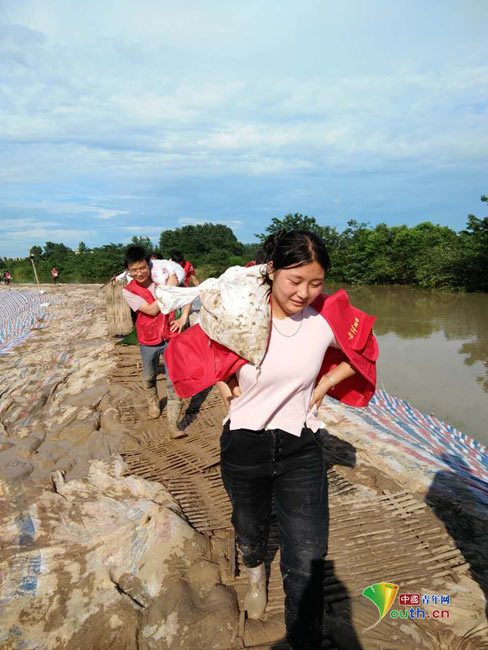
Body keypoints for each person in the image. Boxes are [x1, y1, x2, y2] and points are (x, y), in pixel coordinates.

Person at [164, 230, 378, 649]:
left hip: (302, 447)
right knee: (249, 527)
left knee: (309, 555)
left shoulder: (320, 323)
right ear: (271, 271)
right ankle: (256, 570)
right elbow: (190, 350)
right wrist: (223, 383)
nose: (304, 293)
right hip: (245, 445)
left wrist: (325, 384)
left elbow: (365, 349)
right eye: (294, 281)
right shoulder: (238, 318)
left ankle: (302, 638)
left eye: (315, 283)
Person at [121, 246, 192, 438]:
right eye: (134, 270)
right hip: (148, 338)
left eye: (142, 268)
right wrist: (169, 289)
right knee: (149, 374)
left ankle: (173, 424)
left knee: (173, 380)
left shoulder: (162, 276)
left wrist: (183, 317)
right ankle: (153, 402)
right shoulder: (128, 292)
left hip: (171, 335)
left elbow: (187, 296)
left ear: (149, 265)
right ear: (128, 270)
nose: (139, 273)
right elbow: (151, 310)